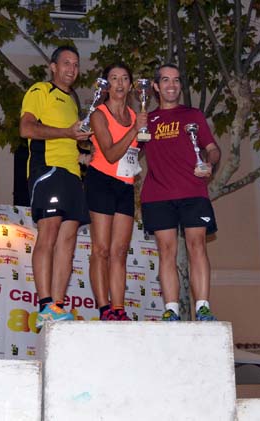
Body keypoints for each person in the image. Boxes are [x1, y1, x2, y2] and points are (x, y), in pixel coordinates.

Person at [140, 63, 221, 321]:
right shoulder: (147, 120)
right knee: (166, 252)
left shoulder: (193, 115)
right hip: (158, 195)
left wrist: (210, 164)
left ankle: (203, 308)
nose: (171, 85)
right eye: (165, 80)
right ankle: (171, 310)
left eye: (175, 80)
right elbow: (127, 150)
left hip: (193, 192)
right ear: (156, 86)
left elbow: (213, 148)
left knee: (197, 246)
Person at [19, 45, 92, 329]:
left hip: (72, 175)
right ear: (53, 67)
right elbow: (26, 129)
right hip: (47, 170)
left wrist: (85, 157)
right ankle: (45, 304)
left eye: (76, 64)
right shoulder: (40, 90)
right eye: (66, 63)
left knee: (68, 241)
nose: (72, 68)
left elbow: (69, 142)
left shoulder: (72, 101)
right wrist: (67, 133)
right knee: (48, 234)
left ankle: (57, 307)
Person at [85, 63, 146, 321]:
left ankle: (119, 309)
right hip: (101, 181)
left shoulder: (135, 115)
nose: (119, 83)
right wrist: (134, 130)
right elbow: (110, 154)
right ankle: (104, 308)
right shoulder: (99, 115)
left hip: (125, 185)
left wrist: (139, 131)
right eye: (114, 78)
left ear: (131, 85)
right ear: (106, 85)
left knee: (120, 251)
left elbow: (134, 151)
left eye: (124, 79)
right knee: (101, 249)